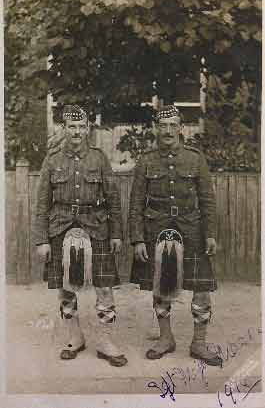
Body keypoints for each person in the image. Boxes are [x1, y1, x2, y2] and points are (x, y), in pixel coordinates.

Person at [129, 105, 222, 366]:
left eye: (173, 125)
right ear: (156, 129)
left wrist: (210, 234)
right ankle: (166, 338)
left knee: (202, 286)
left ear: (181, 128)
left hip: (192, 229)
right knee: (160, 286)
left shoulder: (195, 159)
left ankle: (199, 343)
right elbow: (136, 203)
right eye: (163, 125)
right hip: (157, 229)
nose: (168, 130)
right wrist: (137, 238)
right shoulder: (146, 160)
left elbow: (207, 200)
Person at [35, 104, 127, 367]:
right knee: (65, 288)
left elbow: (113, 200)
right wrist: (42, 239)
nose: (76, 132)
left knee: (104, 286)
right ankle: (74, 338)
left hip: (96, 226)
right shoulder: (52, 160)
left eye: (81, 127)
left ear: (88, 129)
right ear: (64, 129)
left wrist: (116, 234)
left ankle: (105, 341)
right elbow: (42, 204)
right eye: (71, 127)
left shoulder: (99, 159)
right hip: (61, 228)